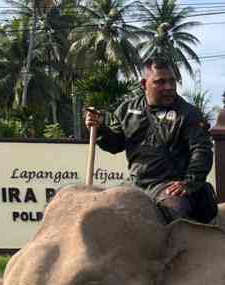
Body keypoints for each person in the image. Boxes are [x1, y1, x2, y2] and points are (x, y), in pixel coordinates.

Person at [84, 57, 217, 224]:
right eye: (160, 82)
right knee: (105, 211)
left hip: (169, 186)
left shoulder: (189, 114)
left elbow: (201, 151)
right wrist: (100, 129)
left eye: (172, 81)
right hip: (136, 185)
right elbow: (115, 144)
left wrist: (189, 183)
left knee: (175, 213)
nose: (169, 87)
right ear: (144, 84)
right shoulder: (126, 110)